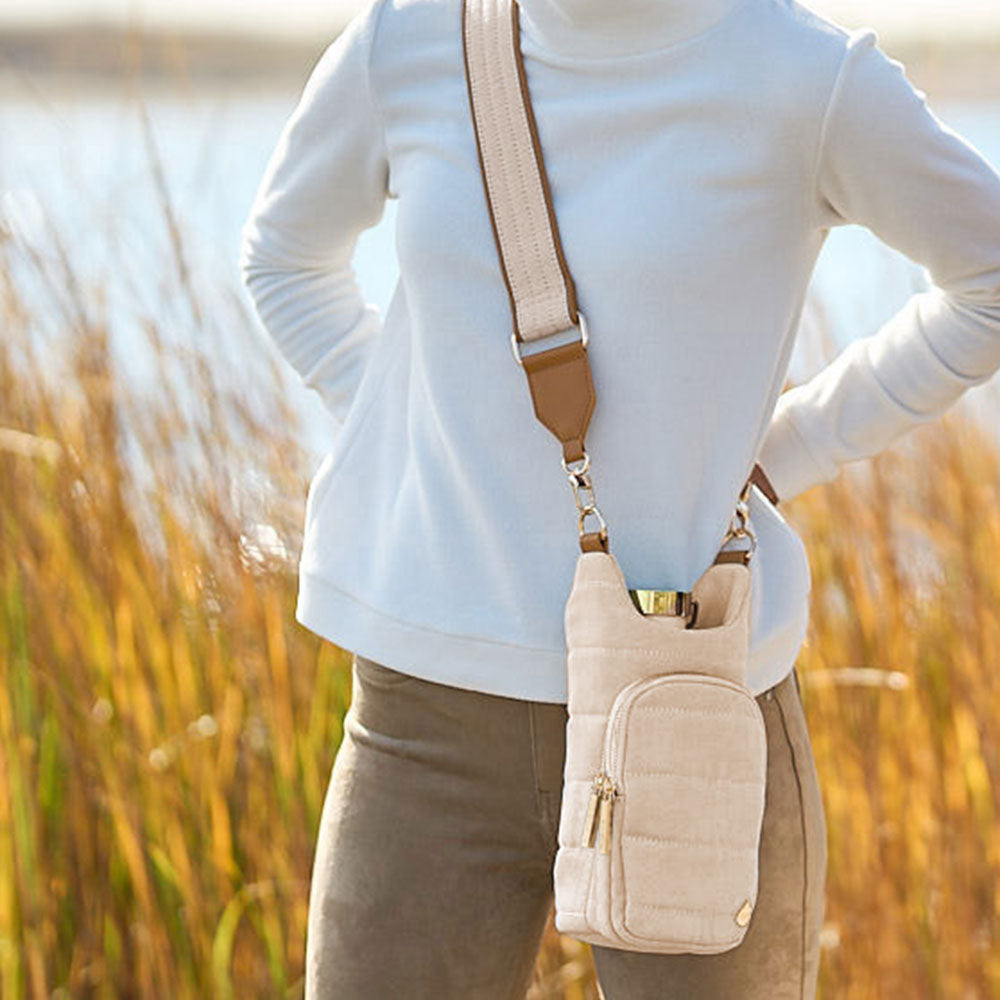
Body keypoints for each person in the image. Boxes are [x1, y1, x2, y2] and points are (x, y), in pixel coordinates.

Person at [239, 0, 1000, 995]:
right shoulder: (409, 41)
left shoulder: (805, 76)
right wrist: (406, 417)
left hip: (692, 700)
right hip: (424, 722)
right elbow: (284, 260)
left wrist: (789, 449)